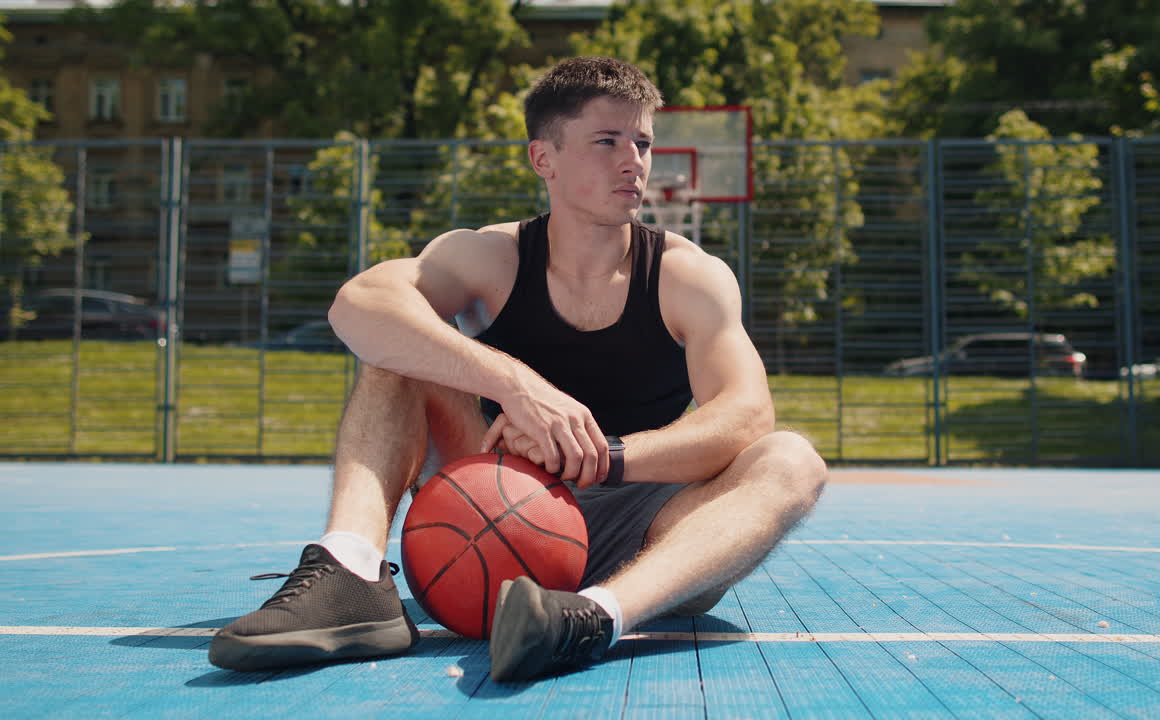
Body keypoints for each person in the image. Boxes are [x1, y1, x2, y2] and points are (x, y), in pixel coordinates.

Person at [208, 56, 827, 681]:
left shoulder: (685, 276)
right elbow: (358, 303)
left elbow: (747, 416)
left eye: (641, 142)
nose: (633, 161)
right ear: (544, 159)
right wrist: (519, 387)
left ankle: (589, 620)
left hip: (643, 538)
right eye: (607, 141)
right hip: (490, 509)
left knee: (792, 458)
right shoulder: (492, 258)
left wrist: (600, 455)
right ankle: (351, 573)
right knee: (398, 349)